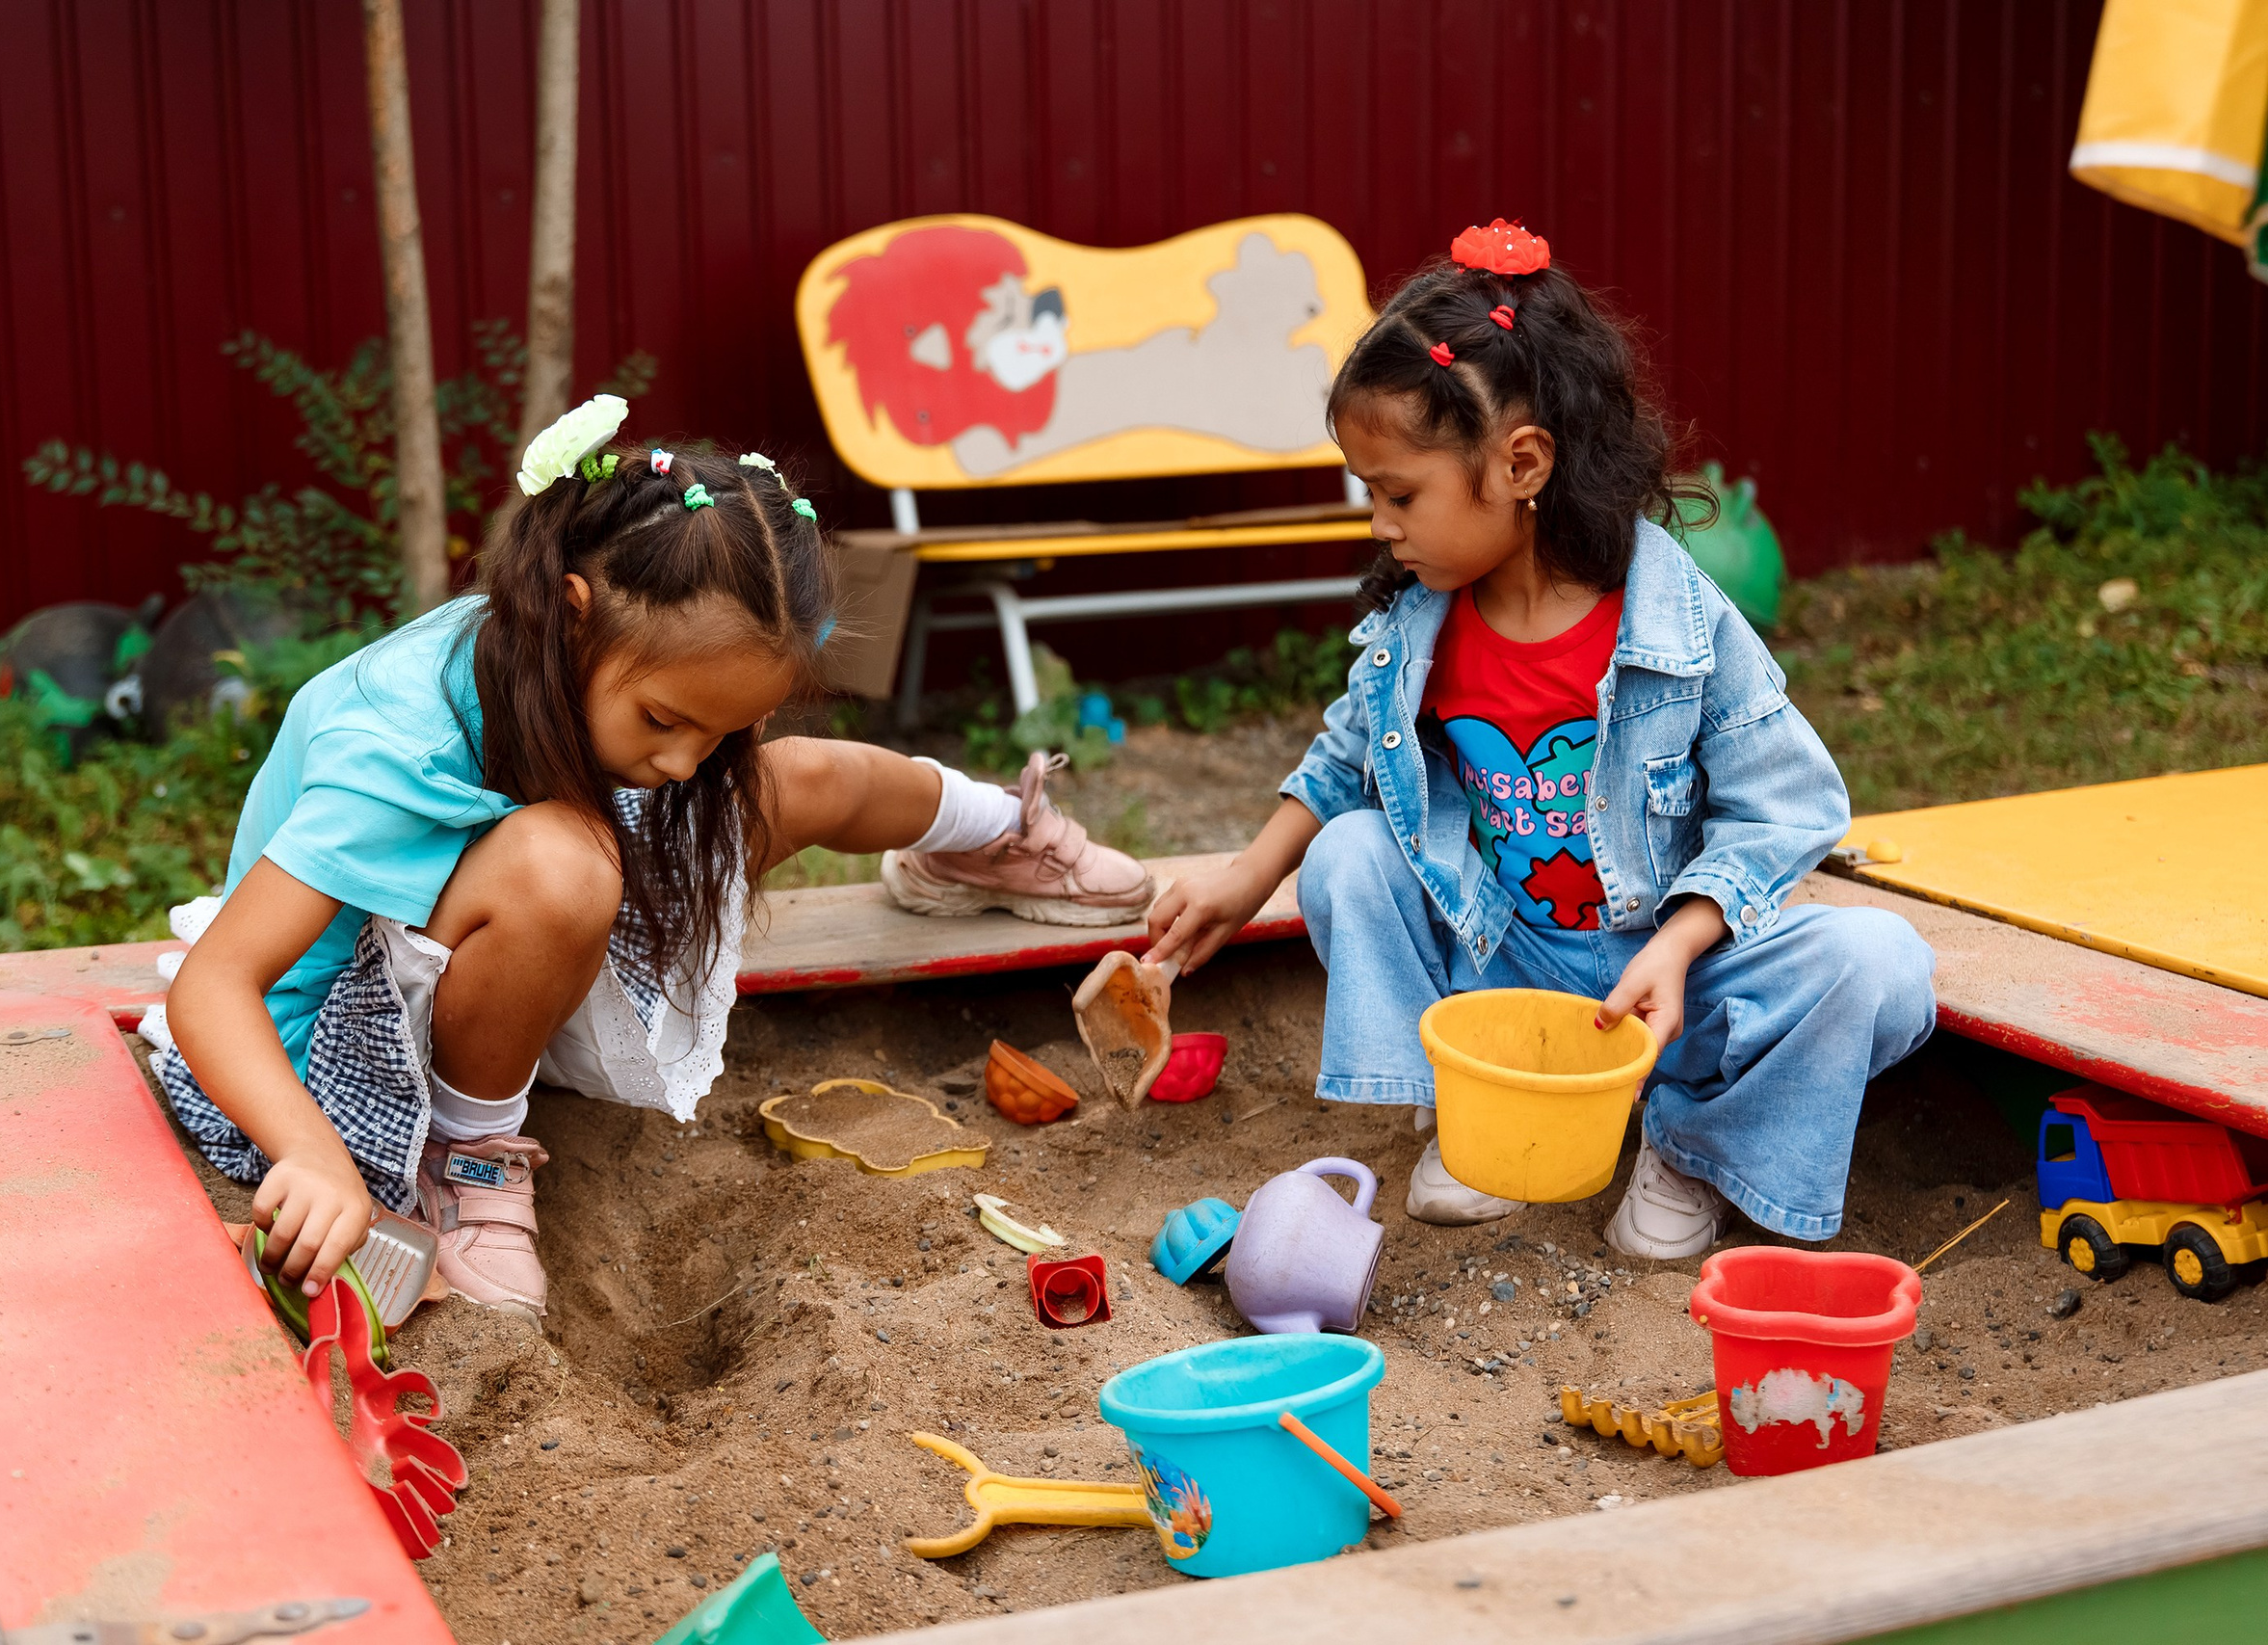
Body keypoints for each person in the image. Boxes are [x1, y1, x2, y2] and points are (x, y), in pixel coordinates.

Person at [159, 401, 1151, 1317]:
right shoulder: (400, 740)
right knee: (565, 861)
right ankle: (470, 1158)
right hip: (341, 1049)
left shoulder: (593, 686)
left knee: (803, 779)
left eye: (721, 732)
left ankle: (990, 835)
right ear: (574, 611)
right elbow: (214, 989)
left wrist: (715, 745)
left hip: (488, 949)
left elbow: (717, 763)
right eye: (664, 720)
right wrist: (311, 1156)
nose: (684, 762)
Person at [1143, 222, 1936, 1260]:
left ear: (1520, 464)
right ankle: (1473, 1114)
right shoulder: (1422, 623)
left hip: (1668, 984)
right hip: (1504, 969)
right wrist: (1246, 879)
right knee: (1349, 855)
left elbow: (1787, 804)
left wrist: (1682, 940)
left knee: (1879, 964)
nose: (1379, 524)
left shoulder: (1674, 623)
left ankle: (1689, 1143)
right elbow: (1346, 759)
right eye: (1370, 495)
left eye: (1399, 495)